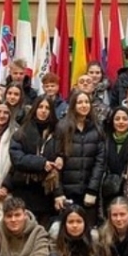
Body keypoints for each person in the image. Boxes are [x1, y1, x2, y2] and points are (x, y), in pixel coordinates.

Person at [52, 90, 107, 225]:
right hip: (67, 193)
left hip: (88, 193)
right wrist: (58, 192)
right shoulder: (62, 127)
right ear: (73, 105)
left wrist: (92, 190)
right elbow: (56, 162)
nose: (84, 105)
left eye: (87, 102)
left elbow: (100, 163)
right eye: (80, 102)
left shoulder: (97, 129)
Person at [7, 97, 61, 226]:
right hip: (24, 190)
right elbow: (17, 159)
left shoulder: (57, 133)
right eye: (40, 107)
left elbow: (62, 154)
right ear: (35, 109)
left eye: (47, 108)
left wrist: (61, 158)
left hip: (47, 193)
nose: (43, 111)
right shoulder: (21, 133)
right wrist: (42, 163)